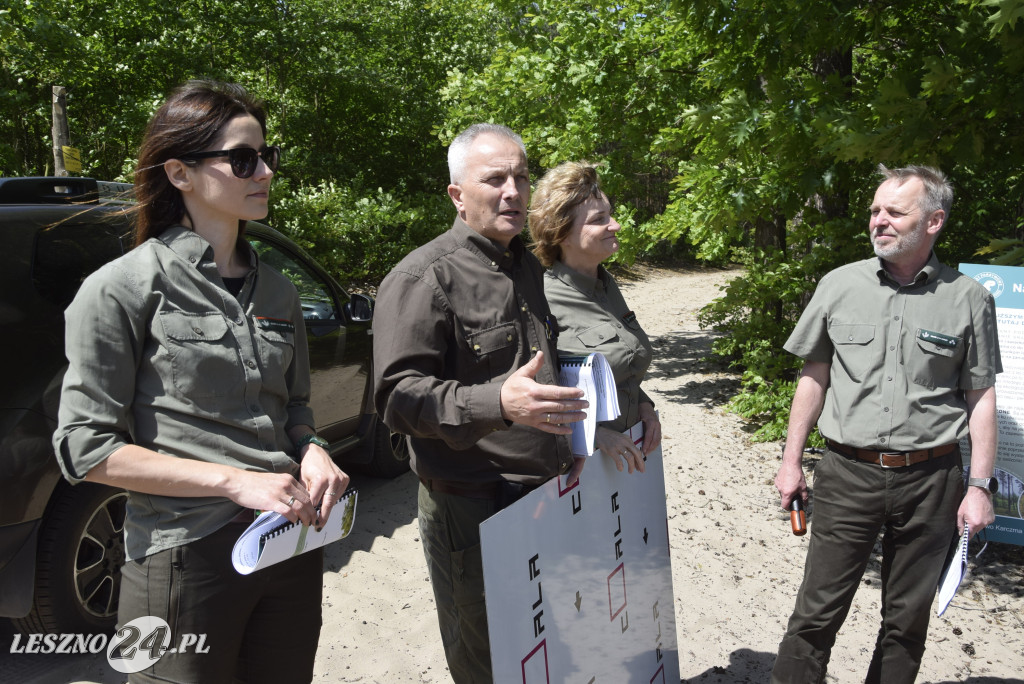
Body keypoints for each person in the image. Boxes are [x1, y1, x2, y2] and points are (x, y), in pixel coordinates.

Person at [53, 80, 348, 683]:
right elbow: (85, 450)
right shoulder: (122, 287)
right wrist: (234, 482)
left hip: (287, 541)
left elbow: (293, 406)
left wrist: (313, 449)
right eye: (243, 159)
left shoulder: (278, 290)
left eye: (268, 156)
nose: (264, 170)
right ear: (180, 173)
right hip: (184, 553)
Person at [372, 123, 588, 683]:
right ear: (457, 195)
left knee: (545, 651)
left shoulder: (529, 269)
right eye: (495, 179)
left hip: (543, 492)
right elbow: (397, 399)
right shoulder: (422, 277)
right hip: (472, 510)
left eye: (521, 175)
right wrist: (498, 402)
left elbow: (548, 370)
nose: (514, 191)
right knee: (490, 662)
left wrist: (591, 428)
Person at [771, 164, 1000, 684]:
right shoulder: (838, 285)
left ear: (934, 221)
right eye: (875, 210)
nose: (879, 220)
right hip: (847, 476)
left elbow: (980, 396)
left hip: (933, 481)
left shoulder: (969, 298)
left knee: (905, 621)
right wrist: (790, 464)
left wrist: (980, 487)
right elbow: (813, 378)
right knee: (816, 614)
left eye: (895, 212)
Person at [529, 161, 661, 471]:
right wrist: (596, 435)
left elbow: (618, 368)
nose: (615, 225)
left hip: (623, 458)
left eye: (610, 215)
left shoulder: (606, 284)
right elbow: (533, 399)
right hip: (577, 470)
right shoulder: (541, 300)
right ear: (561, 234)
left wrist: (645, 406)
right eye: (599, 219)